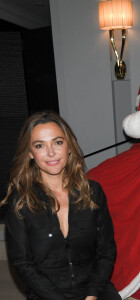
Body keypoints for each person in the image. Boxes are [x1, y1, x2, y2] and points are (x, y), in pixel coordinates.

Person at [0, 111, 121, 300]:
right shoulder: (20, 201)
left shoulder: (93, 192)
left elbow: (106, 249)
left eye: (58, 142)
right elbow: (23, 263)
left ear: (69, 147)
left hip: (93, 289)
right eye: (40, 145)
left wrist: (92, 294)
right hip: (47, 294)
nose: (51, 153)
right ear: (31, 153)